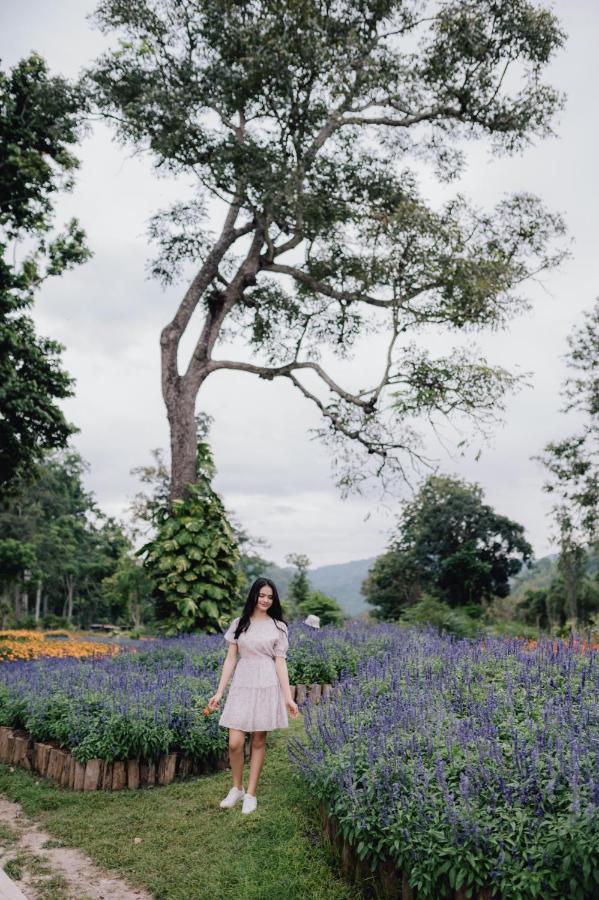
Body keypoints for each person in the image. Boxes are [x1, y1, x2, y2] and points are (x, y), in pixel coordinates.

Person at [207, 577, 299, 815]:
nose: (266, 600)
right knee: (235, 742)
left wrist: (288, 697)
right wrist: (219, 692)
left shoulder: (279, 627)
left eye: (270, 596)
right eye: (262, 595)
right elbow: (230, 659)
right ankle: (236, 788)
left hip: (267, 683)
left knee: (258, 741)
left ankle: (250, 794)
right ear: (254, 596)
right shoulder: (240, 623)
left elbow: (280, 663)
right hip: (242, 683)